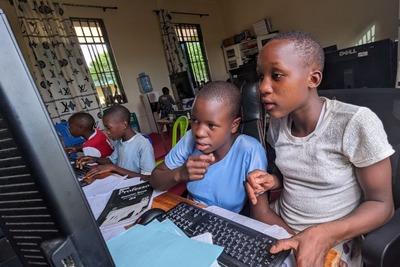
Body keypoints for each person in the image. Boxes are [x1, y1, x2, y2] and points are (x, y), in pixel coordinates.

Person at [246, 31, 394, 266]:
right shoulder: (276, 123)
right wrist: (273, 181)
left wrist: (323, 235)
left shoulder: (354, 122)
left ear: (313, 79)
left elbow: (382, 205)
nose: (263, 87)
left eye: (276, 75)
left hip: (332, 238)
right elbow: (301, 174)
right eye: (261, 76)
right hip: (280, 226)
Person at [149, 81, 283, 220]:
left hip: (225, 224)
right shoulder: (190, 138)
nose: (199, 132)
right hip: (189, 215)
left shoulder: (250, 150)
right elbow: (155, 179)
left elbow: (261, 213)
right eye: (195, 120)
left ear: (234, 125)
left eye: (211, 125)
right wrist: (179, 174)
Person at [77, 104, 156, 181]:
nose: (107, 132)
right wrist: (94, 159)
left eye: (109, 128)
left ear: (124, 125)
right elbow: (111, 160)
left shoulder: (143, 144)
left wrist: (113, 168)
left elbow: (148, 177)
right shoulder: (120, 141)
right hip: (121, 181)